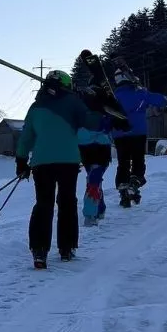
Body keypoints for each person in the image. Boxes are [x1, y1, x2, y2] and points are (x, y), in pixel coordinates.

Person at [15, 71, 109, 269]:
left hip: (41, 162)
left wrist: (21, 161)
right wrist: (98, 107)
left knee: (43, 204)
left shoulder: (35, 106)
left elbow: (26, 137)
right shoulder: (74, 102)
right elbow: (90, 123)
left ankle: (39, 250)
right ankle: (67, 247)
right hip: (68, 161)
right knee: (67, 202)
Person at [111, 68, 167, 205]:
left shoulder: (113, 96)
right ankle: (135, 182)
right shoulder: (140, 92)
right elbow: (162, 100)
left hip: (119, 134)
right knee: (138, 160)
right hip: (137, 133)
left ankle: (123, 189)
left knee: (123, 163)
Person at [78, 100, 114, 223]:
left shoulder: (81, 113)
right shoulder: (105, 111)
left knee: (93, 180)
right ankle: (98, 210)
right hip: (99, 151)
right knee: (94, 180)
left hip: (89, 151)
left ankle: (92, 213)